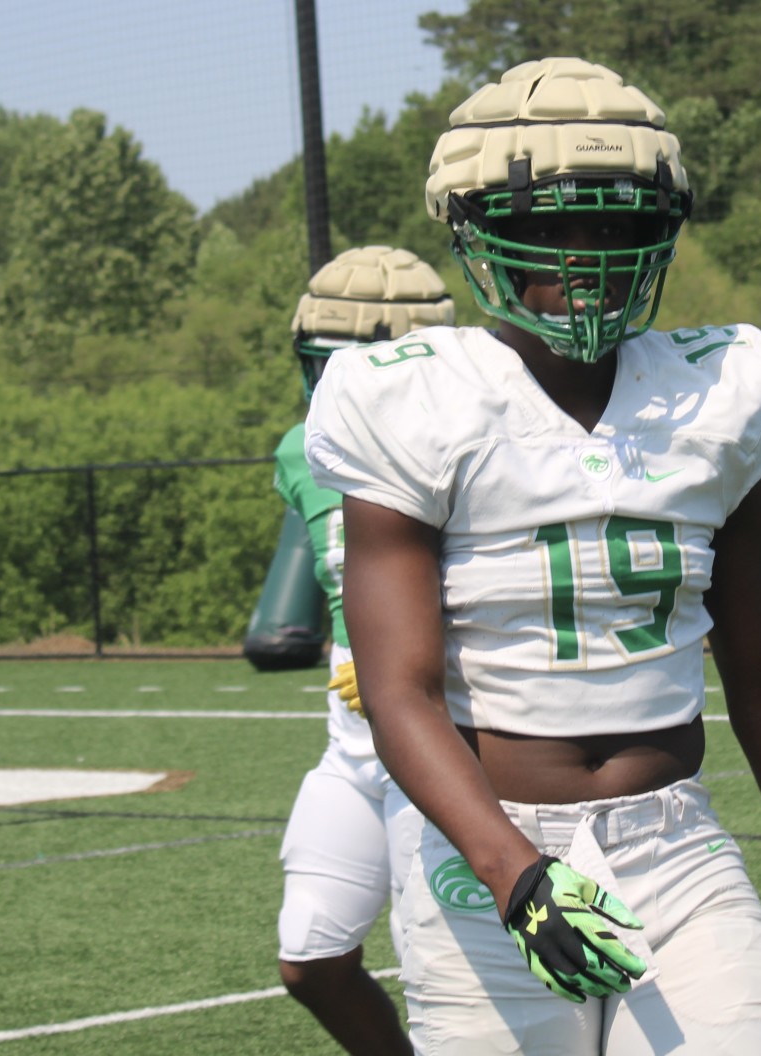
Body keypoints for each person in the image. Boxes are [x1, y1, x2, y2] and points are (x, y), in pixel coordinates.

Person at [306, 57, 761, 1056]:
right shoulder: (409, 399)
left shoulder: (722, 391)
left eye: (615, 227)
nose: (586, 258)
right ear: (476, 228)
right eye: (550, 226)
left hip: (677, 842)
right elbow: (399, 692)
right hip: (487, 848)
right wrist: (517, 877)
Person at [274, 245, 455, 1055]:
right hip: (352, 742)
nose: (331, 390)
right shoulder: (300, 451)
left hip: (446, 735)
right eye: (319, 367)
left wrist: (418, 668)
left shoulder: (465, 440)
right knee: (311, 958)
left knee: (446, 977)